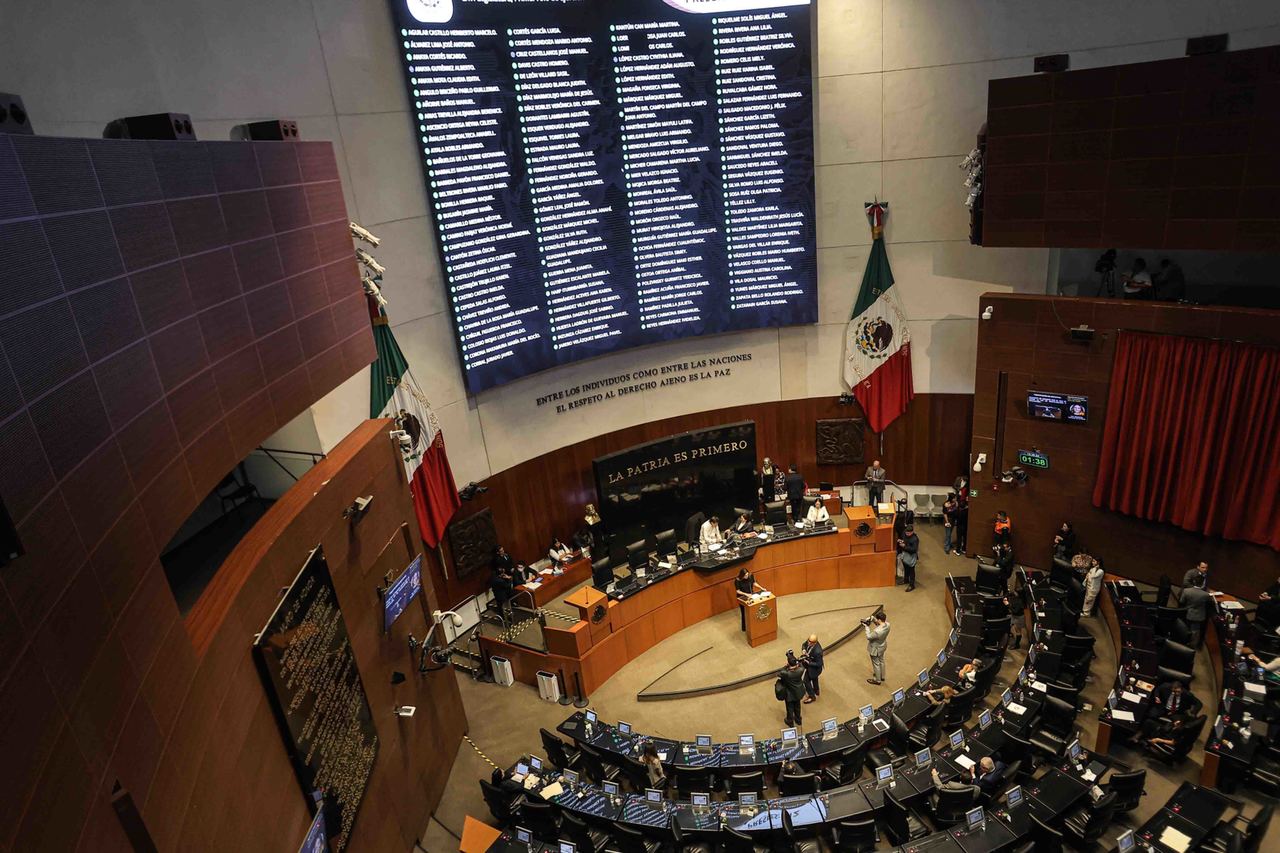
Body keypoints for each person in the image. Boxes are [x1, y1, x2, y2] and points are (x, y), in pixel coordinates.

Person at [1180, 574, 1214, 647]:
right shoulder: (1206, 595)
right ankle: (1193, 646)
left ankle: (1184, 643)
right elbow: (1210, 603)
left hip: (1188, 613)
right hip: (1199, 616)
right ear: (1203, 583)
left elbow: (1181, 601)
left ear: (1194, 582)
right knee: (1196, 631)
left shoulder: (1186, 591)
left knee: (1185, 628)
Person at [778, 652, 807, 728]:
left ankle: (790, 721)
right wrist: (797, 662)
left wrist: (786, 666)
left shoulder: (786, 673)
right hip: (798, 692)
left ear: (788, 663)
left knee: (790, 708)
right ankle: (798, 720)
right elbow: (801, 665)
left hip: (790, 694)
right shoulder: (801, 670)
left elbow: (779, 673)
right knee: (797, 706)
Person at [865, 611, 890, 685]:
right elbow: (879, 624)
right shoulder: (887, 624)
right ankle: (882, 676)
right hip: (882, 645)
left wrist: (866, 627)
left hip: (875, 649)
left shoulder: (877, 631)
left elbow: (869, 637)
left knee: (876, 664)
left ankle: (877, 680)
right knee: (881, 660)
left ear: (879, 619)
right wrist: (872, 618)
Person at [735, 566, 764, 631]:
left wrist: (761, 588)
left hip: (751, 595)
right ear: (742, 575)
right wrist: (746, 594)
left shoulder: (750, 576)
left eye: (747, 574)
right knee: (744, 613)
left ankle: (754, 626)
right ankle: (744, 628)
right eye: (745, 575)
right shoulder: (737, 580)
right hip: (742, 597)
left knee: (753, 610)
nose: (747, 576)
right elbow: (738, 591)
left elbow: (754, 583)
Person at [800, 634, 824, 703]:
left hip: (814, 669)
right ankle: (816, 690)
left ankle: (812, 697)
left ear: (815, 642)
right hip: (810, 665)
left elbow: (819, 664)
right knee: (814, 678)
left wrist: (809, 663)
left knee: (805, 681)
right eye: (809, 641)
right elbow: (804, 644)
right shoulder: (809, 641)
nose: (809, 643)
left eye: (811, 642)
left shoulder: (818, 652)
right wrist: (804, 650)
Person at [897, 524, 919, 591]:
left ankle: (912, 585)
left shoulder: (915, 539)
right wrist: (901, 541)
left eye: (908, 533)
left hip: (911, 556)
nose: (907, 534)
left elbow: (914, 549)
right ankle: (906, 580)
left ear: (912, 532)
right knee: (906, 568)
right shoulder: (904, 533)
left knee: (911, 571)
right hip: (905, 555)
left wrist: (904, 546)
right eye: (906, 533)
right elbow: (904, 539)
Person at [953, 491, 969, 556]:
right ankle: (964, 549)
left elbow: (955, 516)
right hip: (966, 526)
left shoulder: (959, 512)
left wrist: (956, 508)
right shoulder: (968, 511)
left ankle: (958, 551)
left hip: (960, 526)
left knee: (959, 538)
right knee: (965, 537)